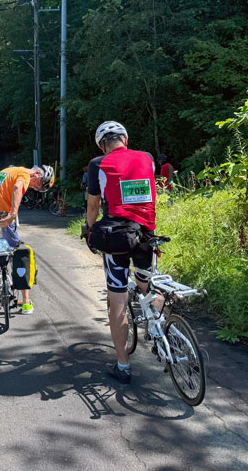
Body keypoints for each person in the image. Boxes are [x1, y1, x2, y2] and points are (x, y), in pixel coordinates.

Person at [83, 121, 158, 384]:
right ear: (125, 138)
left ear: (102, 145)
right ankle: (163, 333)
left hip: (117, 239)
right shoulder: (147, 158)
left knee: (118, 299)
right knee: (147, 286)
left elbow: (94, 204)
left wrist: (91, 231)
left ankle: (123, 366)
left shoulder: (97, 164)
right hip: (147, 234)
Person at [0, 164, 55, 318]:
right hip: (4, 219)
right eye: (40, 185)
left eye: (39, 190)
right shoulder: (24, 175)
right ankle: (26, 302)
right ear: (37, 174)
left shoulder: (5, 172)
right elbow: (18, 187)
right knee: (18, 253)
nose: (36, 188)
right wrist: (13, 214)